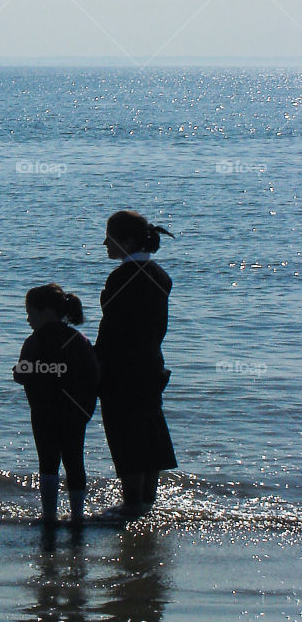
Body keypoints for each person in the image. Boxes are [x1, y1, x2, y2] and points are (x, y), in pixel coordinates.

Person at [95, 210, 177, 517]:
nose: (105, 243)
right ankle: (145, 503)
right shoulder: (158, 275)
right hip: (151, 363)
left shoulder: (122, 277)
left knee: (125, 436)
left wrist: (95, 365)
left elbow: (112, 328)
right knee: (149, 433)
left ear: (127, 241)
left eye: (110, 237)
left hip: (122, 369)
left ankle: (131, 505)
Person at [13, 284, 100, 526]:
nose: (28, 319)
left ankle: (49, 515)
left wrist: (21, 371)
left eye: (31, 313)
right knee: (75, 461)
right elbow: (94, 374)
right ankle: (78, 515)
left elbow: (22, 374)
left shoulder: (35, 341)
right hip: (77, 411)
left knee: (48, 463)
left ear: (46, 312)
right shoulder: (80, 340)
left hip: (44, 411)